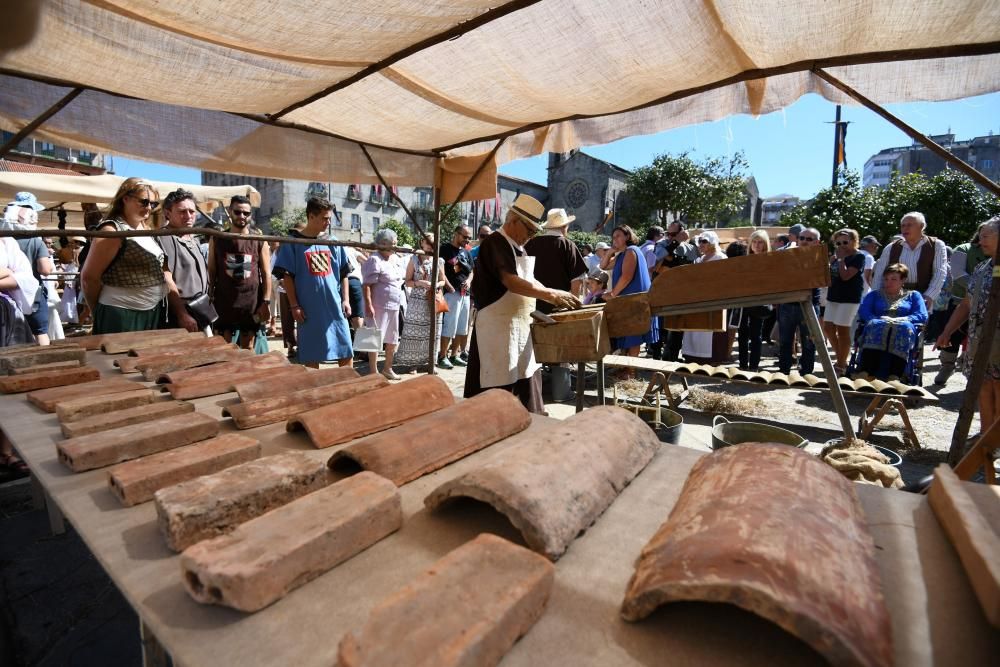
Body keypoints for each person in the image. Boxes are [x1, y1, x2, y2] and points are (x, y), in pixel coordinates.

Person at [463, 193, 580, 413]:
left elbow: (530, 280)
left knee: (526, 375)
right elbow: (511, 281)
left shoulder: (520, 246)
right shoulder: (495, 243)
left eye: (535, 231)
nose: (531, 236)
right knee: (497, 382)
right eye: (530, 230)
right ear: (514, 221)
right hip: (496, 328)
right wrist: (551, 296)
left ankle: (529, 419)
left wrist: (555, 292)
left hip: (519, 325)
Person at [272, 197, 353, 368]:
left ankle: (349, 389)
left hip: (334, 308)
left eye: (329, 218)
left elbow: (344, 273)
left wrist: (345, 300)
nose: (328, 222)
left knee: (345, 350)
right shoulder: (293, 243)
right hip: (308, 310)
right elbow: (287, 277)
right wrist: (294, 305)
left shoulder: (333, 242)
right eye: (324, 218)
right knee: (311, 356)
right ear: (311, 216)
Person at [81, 178, 169, 334]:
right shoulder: (111, 231)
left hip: (152, 313)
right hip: (121, 316)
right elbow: (89, 278)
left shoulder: (146, 229)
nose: (149, 208)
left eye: (153, 204)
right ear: (125, 198)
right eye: (144, 202)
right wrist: (100, 314)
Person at [935, 217, 999, 430]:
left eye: (986, 236)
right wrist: (947, 331)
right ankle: (985, 437)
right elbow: (967, 304)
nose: (981, 242)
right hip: (979, 341)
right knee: (982, 386)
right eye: (980, 237)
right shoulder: (982, 268)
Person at [208, 195, 271, 349]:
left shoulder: (258, 239)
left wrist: (266, 301)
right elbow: (212, 270)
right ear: (230, 212)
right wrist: (209, 295)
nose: (242, 216)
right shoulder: (217, 239)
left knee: (248, 347)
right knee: (224, 347)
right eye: (237, 212)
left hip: (250, 301)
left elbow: (266, 272)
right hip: (224, 300)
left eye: (246, 213)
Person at [0, 234, 38, 480]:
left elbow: (24, 278)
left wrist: (9, 276)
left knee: (7, 382)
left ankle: (6, 453)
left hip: (6, 318)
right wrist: (4, 272)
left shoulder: (6, 242)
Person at [857, 262, 927, 380]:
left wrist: (903, 319)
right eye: (886, 279)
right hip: (878, 323)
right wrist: (877, 319)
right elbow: (864, 311)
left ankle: (895, 374)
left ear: (903, 280)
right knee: (876, 324)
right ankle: (866, 371)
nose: (888, 282)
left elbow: (921, 315)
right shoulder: (874, 295)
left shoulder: (913, 295)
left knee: (903, 327)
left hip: (903, 325)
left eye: (893, 279)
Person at [157, 189, 213, 333]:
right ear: (168, 213)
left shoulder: (193, 238)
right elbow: (166, 279)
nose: (188, 216)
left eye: (192, 211)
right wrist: (182, 313)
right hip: (180, 314)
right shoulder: (163, 238)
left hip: (200, 309)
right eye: (182, 211)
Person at [871, 212, 948, 311]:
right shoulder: (891, 247)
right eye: (903, 225)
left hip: (922, 298)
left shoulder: (936, 245)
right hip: (891, 298)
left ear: (921, 226)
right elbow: (879, 274)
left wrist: (929, 295)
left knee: (917, 325)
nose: (905, 228)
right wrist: (876, 297)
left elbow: (940, 272)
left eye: (909, 225)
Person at [4, 193, 54, 344]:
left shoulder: (3, 238)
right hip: (31, 294)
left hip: (6, 292)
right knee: (40, 332)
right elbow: (45, 270)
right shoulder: (36, 241)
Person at [602, 224, 658, 360]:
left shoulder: (631, 251)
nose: (615, 239)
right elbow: (603, 266)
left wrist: (612, 294)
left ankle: (630, 371)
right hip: (628, 300)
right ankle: (626, 368)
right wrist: (610, 252)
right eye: (613, 237)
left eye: (618, 236)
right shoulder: (622, 254)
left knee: (634, 335)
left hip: (635, 300)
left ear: (627, 236)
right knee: (628, 333)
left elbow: (626, 277)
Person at [395, 233, 447, 371]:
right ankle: (413, 363)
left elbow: (443, 280)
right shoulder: (414, 259)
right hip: (417, 301)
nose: (431, 244)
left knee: (433, 331)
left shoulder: (439, 260)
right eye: (428, 241)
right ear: (422, 242)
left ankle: (431, 363)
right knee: (415, 332)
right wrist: (420, 283)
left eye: (433, 242)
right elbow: (407, 282)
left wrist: (436, 284)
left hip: (433, 299)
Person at [362, 228, 406, 379]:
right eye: (392, 244)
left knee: (393, 338)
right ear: (382, 243)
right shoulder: (374, 259)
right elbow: (367, 284)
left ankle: (387, 368)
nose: (394, 247)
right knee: (372, 339)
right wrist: (368, 305)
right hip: (377, 306)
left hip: (394, 305)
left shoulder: (395, 258)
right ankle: (373, 372)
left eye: (395, 243)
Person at [525, 209, 588, 314]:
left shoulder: (531, 243)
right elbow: (576, 282)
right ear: (564, 227)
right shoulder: (568, 245)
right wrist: (573, 308)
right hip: (559, 307)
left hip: (532, 307)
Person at [776, 228, 822, 374]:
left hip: (809, 304)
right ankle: (784, 371)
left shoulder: (820, 258)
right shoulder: (788, 256)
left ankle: (807, 373)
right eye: (801, 238)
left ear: (817, 242)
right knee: (785, 341)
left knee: (809, 342)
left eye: (809, 239)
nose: (804, 242)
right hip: (788, 304)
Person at [823, 228, 866, 375]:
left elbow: (846, 276)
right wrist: (830, 263)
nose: (841, 245)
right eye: (838, 242)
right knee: (827, 328)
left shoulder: (858, 257)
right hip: (834, 296)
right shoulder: (836, 257)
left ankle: (841, 365)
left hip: (849, 298)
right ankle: (841, 357)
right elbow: (828, 276)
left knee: (842, 330)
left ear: (854, 242)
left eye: (845, 242)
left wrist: (841, 260)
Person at [681, 231, 726, 363]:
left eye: (704, 241)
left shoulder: (720, 258)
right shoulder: (699, 259)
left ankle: (710, 359)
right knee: (695, 328)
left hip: (713, 300)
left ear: (712, 243)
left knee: (709, 330)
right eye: (699, 241)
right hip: (697, 299)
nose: (701, 244)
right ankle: (692, 356)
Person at [438, 225, 474, 369]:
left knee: (462, 327)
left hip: (465, 294)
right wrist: (448, 285)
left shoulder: (467, 252)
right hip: (451, 293)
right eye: (465, 237)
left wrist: (469, 281)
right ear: (456, 234)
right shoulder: (445, 249)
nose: (467, 240)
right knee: (449, 325)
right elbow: (440, 270)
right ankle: (442, 356)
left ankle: (454, 355)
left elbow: (472, 270)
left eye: (469, 237)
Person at [736, 230, 771, 370]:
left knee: (756, 335)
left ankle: (754, 366)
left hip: (760, 302)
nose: (757, 245)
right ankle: (743, 365)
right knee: (742, 335)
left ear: (765, 244)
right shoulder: (744, 260)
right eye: (754, 242)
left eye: (760, 242)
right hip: (744, 302)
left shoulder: (770, 260)